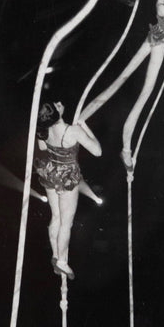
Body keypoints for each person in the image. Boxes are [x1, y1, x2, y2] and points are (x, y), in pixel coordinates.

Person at [79, 0, 164, 172]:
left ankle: (82, 117)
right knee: (146, 91)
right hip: (158, 42)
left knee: (124, 77)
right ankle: (126, 150)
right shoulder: (160, 5)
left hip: (153, 37)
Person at [35, 101, 102, 279]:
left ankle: (56, 255)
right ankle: (62, 263)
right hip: (66, 179)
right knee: (66, 223)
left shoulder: (44, 129)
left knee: (56, 216)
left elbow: (43, 147)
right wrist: (85, 127)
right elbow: (97, 151)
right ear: (57, 112)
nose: (60, 103)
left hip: (50, 173)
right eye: (56, 104)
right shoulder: (73, 131)